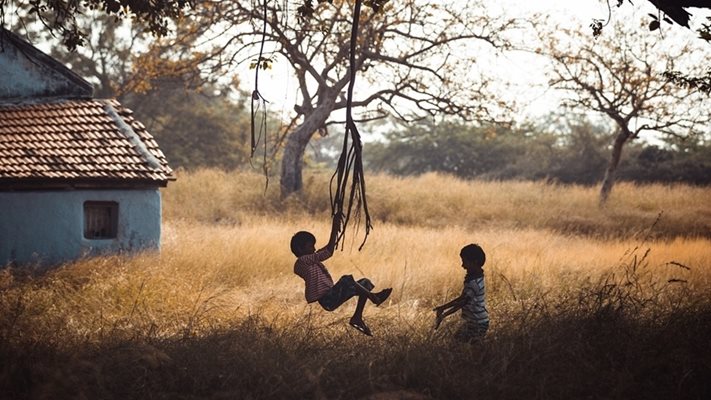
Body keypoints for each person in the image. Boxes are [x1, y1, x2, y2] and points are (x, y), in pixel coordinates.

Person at [291, 220, 392, 337]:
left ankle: (357, 317)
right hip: (327, 299)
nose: (314, 249)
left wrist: (337, 230)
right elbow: (328, 251)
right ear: (300, 249)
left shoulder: (311, 259)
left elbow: (326, 249)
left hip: (332, 294)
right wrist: (334, 229)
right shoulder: (302, 261)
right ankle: (374, 297)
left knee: (365, 283)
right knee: (346, 279)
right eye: (310, 246)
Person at [433, 243, 489, 341]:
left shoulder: (474, 283)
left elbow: (462, 303)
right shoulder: (477, 277)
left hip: (477, 323)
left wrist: (444, 314)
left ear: (474, 262)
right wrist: (443, 307)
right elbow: (462, 298)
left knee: (460, 344)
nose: (462, 265)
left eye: (465, 262)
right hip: (474, 321)